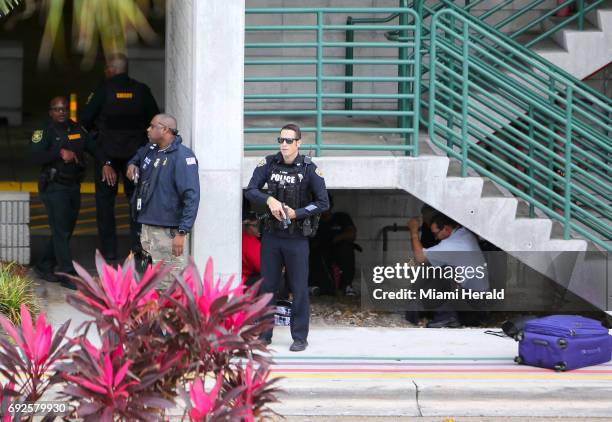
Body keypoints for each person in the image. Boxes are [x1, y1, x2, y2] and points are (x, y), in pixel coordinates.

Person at [245, 123, 329, 352]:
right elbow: (250, 190)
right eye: (281, 140)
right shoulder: (269, 163)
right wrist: (268, 200)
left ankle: (299, 336)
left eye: (289, 141)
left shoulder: (309, 168)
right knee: (268, 287)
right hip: (272, 237)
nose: (284, 144)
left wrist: (297, 213)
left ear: (299, 143)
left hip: (297, 238)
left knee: (299, 288)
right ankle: (264, 335)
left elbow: (323, 202)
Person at [81, 53, 160, 261]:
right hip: (134, 158)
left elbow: (85, 120)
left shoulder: (103, 90)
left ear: (111, 69)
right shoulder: (142, 91)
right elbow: (155, 120)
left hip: (106, 157)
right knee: (136, 202)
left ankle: (109, 250)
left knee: (105, 204)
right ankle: (136, 248)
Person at [126, 114, 200, 288]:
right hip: (147, 229)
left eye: (152, 126)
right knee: (151, 283)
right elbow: (136, 156)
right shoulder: (151, 149)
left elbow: (192, 196)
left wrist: (182, 232)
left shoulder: (182, 156)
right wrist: (132, 165)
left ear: (165, 129)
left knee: (169, 286)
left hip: (168, 233)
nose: (148, 129)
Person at [31, 96, 96, 290]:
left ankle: (43, 265)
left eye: (64, 109)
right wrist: (60, 152)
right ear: (51, 112)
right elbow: (35, 156)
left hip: (73, 186)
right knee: (61, 230)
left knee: (64, 230)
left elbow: (94, 149)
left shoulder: (77, 129)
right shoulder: (44, 131)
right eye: (57, 109)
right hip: (53, 187)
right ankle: (67, 273)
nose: (61, 112)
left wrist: (107, 163)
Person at [408, 213, 489, 328]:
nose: (435, 238)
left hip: (472, 307)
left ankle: (447, 317)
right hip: (480, 305)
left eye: (436, 234)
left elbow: (420, 258)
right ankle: (437, 312)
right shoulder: (464, 233)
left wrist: (413, 232)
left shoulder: (451, 245)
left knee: (445, 271)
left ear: (446, 229)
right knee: (435, 267)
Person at [310, 194, 358, 296]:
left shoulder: (341, 217)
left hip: (339, 253)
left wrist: (334, 239)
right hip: (321, 255)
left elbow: (351, 233)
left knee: (345, 248)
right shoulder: (314, 223)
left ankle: (346, 286)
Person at [242, 210, 262, 286]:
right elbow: (262, 267)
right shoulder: (250, 241)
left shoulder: (242, 237)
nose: (258, 229)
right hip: (244, 281)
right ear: (245, 226)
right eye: (255, 226)